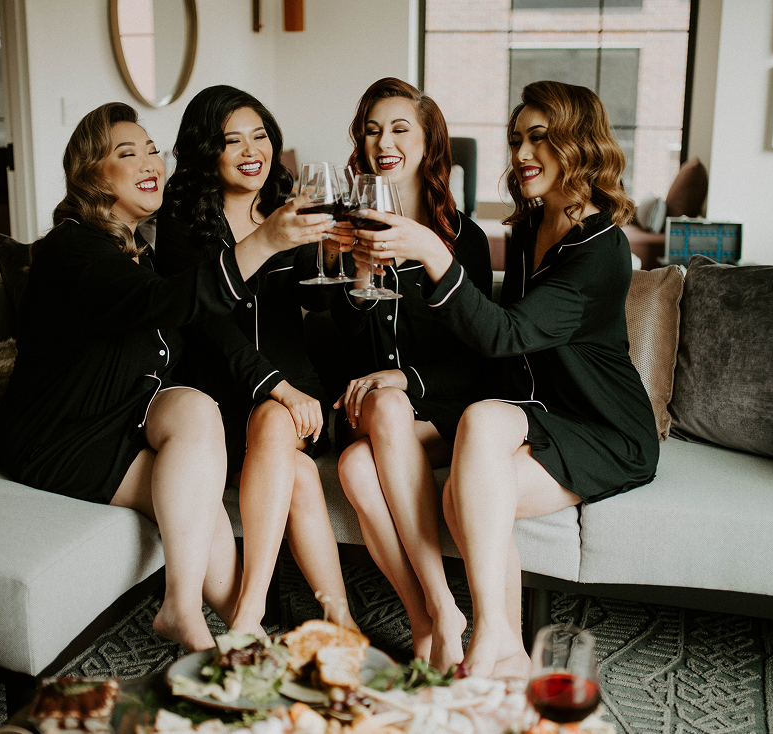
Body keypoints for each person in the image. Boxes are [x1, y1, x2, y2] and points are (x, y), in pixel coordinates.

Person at [0, 102, 334, 652]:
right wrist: (266, 240)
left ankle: (193, 612)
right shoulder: (71, 249)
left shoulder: (134, 250)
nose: (150, 160)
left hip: (118, 422)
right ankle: (208, 625)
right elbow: (173, 304)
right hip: (60, 438)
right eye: (127, 154)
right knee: (219, 554)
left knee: (197, 409)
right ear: (90, 175)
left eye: (152, 149)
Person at [348, 81, 659, 677]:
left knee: (466, 480)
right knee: (364, 464)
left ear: (581, 144)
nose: (520, 154)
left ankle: (497, 638)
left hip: (599, 427)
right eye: (517, 139)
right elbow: (496, 355)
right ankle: (482, 638)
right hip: (532, 413)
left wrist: (430, 253)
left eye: (540, 138)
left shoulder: (602, 248)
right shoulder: (528, 228)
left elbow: (505, 335)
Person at [155, 86, 358, 634]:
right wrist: (277, 385)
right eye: (232, 140)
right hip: (219, 396)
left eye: (261, 135)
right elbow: (205, 322)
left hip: (296, 391)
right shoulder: (179, 220)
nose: (252, 150)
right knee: (292, 467)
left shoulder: (286, 205)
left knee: (275, 421)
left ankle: (249, 611)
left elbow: (316, 299)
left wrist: (333, 258)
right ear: (206, 152)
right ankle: (339, 616)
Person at [330, 78, 492, 671]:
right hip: (369, 408)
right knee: (373, 421)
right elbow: (345, 353)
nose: (384, 141)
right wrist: (356, 278)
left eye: (400, 129)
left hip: (437, 410)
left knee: (354, 462)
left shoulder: (463, 240)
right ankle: (439, 612)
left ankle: (431, 618)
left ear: (429, 145)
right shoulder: (350, 235)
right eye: (372, 130)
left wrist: (407, 382)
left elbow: (479, 354)